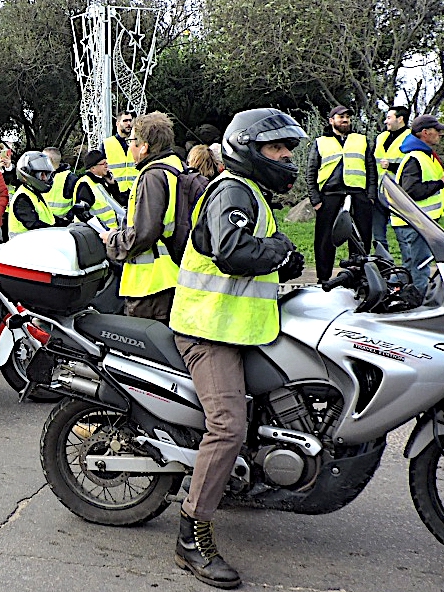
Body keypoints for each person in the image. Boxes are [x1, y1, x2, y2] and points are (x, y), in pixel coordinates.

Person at [168, 109, 307, 589]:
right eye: (276, 149)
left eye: (288, 148)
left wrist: (284, 260)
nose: (286, 156)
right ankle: (192, 534)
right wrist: (279, 250)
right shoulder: (232, 191)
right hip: (208, 332)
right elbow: (232, 250)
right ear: (250, 150)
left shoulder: (250, 193)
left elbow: (255, 255)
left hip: (236, 329)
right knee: (227, 427)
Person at [102, 112, 180, 323]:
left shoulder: (152, 176)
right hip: (170, 275)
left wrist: (113, 241)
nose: (129, 147)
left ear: (144, 146)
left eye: (132, 141)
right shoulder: (175, 167)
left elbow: (143, 234)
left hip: (150, 284)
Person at [305, 105, 376, 283]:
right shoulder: (320, 142)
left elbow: (371, 169)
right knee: (324, 238)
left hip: (358, 194)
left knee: (361, 236)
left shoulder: (361, 140)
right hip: (330, 194)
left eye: (347, 117)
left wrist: (371, 196)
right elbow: (311, 171)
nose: (345, 120)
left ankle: (357, 275)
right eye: (340, 117)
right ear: (331, 121)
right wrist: (315, 199)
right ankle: (323, 278)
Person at [392, 115, 444, 296]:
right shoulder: (416, 158)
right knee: (418, 265)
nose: (440, 135)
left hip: (419, 221)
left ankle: (407, 296)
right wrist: (440, 183)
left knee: (414, 264)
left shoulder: (424, 155)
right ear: (425, 133)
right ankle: (416, 303)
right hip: (414, 223)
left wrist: (441, 177)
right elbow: (411, 191)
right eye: (437, 131)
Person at [371, 105, 411, 253]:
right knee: (378, 235)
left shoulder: (410, 138)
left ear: (400, 119)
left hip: (399, 193)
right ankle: (383, 265)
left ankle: (409, 267)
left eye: (389, 118)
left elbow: (414, 165)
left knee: (402, 234)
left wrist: (392, 166)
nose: (386, 121)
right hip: (379, 192)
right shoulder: (381, 137)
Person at [73, 149, 126, 231]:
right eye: (103, 164)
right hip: (96, 234)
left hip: (110, 233)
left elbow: (119, 203)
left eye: (106, 163)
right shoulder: (85, 183)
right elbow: (81, 212)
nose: (106, 166)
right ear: (93, 168)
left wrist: (112, 186)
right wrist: (102, 229)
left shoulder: (101, 182)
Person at [8, 152, 56, 237]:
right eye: (41, 174)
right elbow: (33, 224)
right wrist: (57, 230)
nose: (45, 178)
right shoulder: (22, 198)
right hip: (24, 246)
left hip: (37, 243)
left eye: (47, 174)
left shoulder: (33, 193)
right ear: (29, 174)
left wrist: (67, 223)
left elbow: (48, 218)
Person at [42, 147, 78, 226]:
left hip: (61, 225)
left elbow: (79, 202)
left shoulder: (70, 178)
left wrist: (68, 218)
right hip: (43, 223)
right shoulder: (41, 175)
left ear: (50, 160)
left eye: (42, 158)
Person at [104, 111, 138, 194]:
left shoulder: (138, 142)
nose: (129, 123)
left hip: (136, 190)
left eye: (130, 120)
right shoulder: (107, 143)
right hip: (116, 191)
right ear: (117, 123)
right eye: (125, 121)